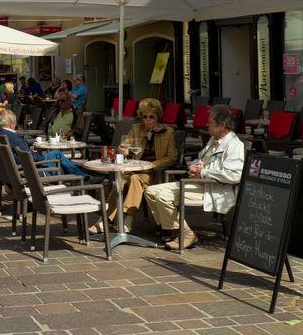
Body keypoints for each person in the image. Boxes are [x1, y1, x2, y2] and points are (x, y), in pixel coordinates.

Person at [145, 104, 245, 250]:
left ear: (222, 125)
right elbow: (201, 158)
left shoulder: (235, 145)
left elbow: (234, 175)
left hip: (216, 189)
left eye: (210, 122)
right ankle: (173, 230)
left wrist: (203, 172)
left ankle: (186, 234)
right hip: (201, 183)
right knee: (150, 191)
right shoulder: (213, 140)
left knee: (162, 196)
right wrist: (195, 165)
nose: (207, 124)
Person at [101, 98, 178, 234]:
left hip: (156, 173)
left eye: (152, 117)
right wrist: (124, 150)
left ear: (158, 117)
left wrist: (151, 165)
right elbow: (123, 146)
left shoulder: (168, 132)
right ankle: (106, 218)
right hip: (136, 171)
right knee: (121, 181)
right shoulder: (136, 129)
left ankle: (127, 218)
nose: (148, 120)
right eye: (145, 117)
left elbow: (172, 157)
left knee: (135, 179)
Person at [0, 108, 90, 180]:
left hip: (16, 170)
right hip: (31, 172)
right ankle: (83, 178)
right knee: (57, 156)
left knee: (55, 155)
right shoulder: (12, 136)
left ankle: (80, 176)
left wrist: (32, 152)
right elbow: (28, 156)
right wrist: (38, 155)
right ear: (12, 124)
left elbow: (23, 153)